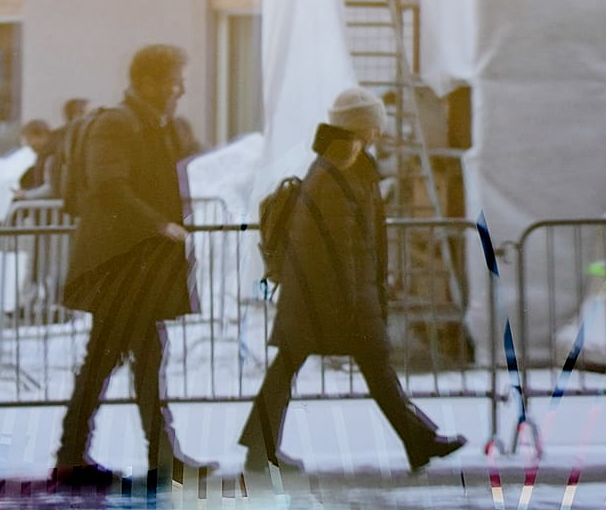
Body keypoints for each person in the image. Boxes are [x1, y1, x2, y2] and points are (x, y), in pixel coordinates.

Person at [239, 87, 466, 474]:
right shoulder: (338, 171)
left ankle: (418, 441)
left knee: (311, 368)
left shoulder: (342, 165)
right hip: (336, 298)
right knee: (365, 367)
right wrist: (354, 301)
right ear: (362, 126)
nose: (379, 131)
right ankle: (418, 441)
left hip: (325, 296)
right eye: (375, 123)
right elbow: (340, 248)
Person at [52, 45, 214, 486]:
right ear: (147, 82)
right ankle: (74, 458)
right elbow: (109, 186)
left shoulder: (152, 125)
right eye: (173, 80)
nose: (180, 89)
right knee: (106, 363)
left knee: (140, 361)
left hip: (136, 271)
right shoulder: (116, 124)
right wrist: (160, 224)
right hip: (119, 270)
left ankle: (155, 458)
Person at [13, 119, 56, 201]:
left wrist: (26, 195)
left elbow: (51, 188)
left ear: (42, 136)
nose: (28, 144)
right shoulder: (44, 157)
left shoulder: (51, 157)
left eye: (29, 139)